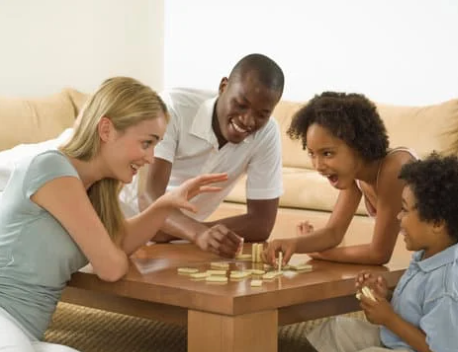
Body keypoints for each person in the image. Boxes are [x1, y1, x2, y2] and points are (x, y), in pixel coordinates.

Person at [0, 77, 227, 351]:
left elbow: (118, 243)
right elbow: (110, 266)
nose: (151, 157)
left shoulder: (93, 190)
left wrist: (165, 205)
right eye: (147, 142)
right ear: (106, 130)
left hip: (23, 333)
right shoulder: (51, 169)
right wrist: (112, 252)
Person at [306, 153, 458, 352]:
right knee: (336, 330)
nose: (398, 216)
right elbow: (416, 310)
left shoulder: (448, 287)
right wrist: (384, 297)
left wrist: (388, 318)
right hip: (397, 341)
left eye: (405, 210)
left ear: (437, 223)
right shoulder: (427, 256)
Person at [139, 53, 285, 258]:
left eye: (262, 114)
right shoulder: (173, 108)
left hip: (172, 240)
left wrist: (191, 231)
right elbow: (148, 198)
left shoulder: (267, 133)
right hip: (117, 221)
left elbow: (262, 224)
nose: (248, 120)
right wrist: (197, 233)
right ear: (223, 86)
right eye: (241, 104)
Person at [263, 92, 417, 266]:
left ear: (358, 145)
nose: (318, 165)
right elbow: (333, 233)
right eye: (312, 154)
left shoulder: (394, 169)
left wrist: (317, 253)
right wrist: (293, 243)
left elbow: (379, 253)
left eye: (327, 153)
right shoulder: (357, 175)